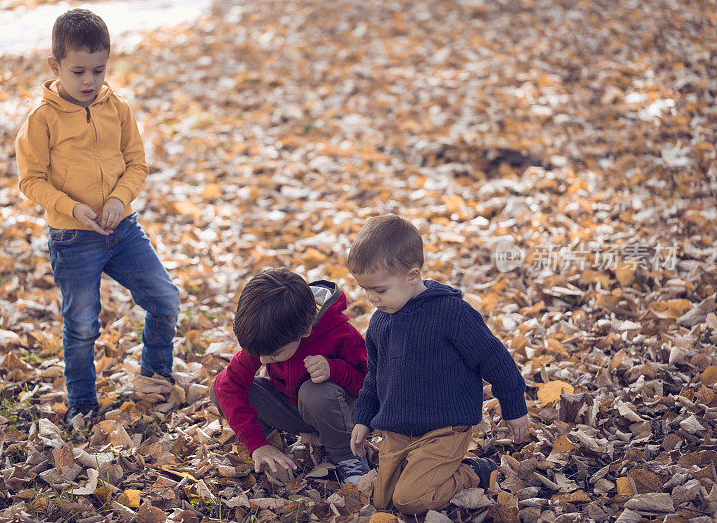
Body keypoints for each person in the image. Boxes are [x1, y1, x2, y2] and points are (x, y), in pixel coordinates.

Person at [15, 9, 179, 427]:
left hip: (122, 231)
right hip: (74, 239)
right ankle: (83, 404)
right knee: (83, 325)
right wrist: (73, 208)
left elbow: (136, 164)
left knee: (164, 299)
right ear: (55, 67)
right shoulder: (42, 119)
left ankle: (156, 379)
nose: (90, 81)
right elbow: (30, 180)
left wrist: (121, 199)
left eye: (99, 70)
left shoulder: (116, 108)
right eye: (78, 71)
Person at [347, 214, 529, 515]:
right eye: (365, 289)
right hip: (400, 430)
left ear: (412, 275)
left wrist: (513, 405)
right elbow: (375, 375)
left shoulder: (451, 313)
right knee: (383, 502)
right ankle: (427, 472)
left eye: (379, 290)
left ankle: (474, 471)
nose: (370, 299)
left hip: (443, 427)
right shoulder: (381, 321)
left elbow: (495, 359)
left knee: (411, 501)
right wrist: (363, 419)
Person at [211, 268, 370, 484]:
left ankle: (347, 456)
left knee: (314, 392)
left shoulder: (340, 334)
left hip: (339, 413)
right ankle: (272, 448)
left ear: (304, 332)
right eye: (260, 354)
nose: (264, 360)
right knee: (219, 387)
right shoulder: (267, 336)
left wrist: (334, 369)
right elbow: (227, 386)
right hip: (293, 409)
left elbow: (368, 386)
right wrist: (256, 443)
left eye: (274, 354)